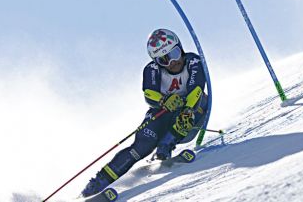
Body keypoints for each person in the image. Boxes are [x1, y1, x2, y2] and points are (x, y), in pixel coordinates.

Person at [82, 28, 208, 197]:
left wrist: (187, 109)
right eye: (164, 60)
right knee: (142, 145)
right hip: (162, 112)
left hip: (191, 109)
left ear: (181, 48)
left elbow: (197, 87)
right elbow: (149, 93)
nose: (173, 62)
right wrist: (164, 100)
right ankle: (97, 183)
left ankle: (166, 146)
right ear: (157, 61)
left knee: (188, 113)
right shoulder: (152, 70)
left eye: (175, 53)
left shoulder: (193, 61)